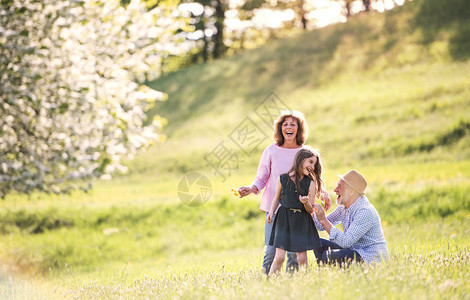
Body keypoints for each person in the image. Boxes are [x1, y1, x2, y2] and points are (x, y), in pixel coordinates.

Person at [238, 110, 331, 274]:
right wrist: (252, 188)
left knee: (295, 255)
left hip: (298, 210)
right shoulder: (270, 151)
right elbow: (262, 176)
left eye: (292, 124)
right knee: (271, 251)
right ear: (280, 128)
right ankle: (267, 282)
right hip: (275, 210)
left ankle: (291, 285)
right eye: (285, 124)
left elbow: (314, 177)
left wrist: (323, 193)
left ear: (299, 128)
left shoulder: (305, 153)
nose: (288, 127)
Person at [267, 147, 324, 276]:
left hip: (302, 220)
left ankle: (305, 282)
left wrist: (306, 203)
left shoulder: (310, 183)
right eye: (310, 162)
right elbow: (277, 198)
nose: (312, 166)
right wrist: (271, 212)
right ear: (301, 160)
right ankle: (269, 282)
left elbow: (310, 209)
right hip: (283, 219)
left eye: (314, 164)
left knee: (302, 258)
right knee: (280, 257)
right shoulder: (282, 178)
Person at [312, 169, 389, 266]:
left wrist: (323, 219)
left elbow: (345, 242)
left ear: (351, 191)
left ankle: (331, 275)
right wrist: (310, 208)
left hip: (371, 258)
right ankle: (325, 274)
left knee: (329, 255)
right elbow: (320, 225)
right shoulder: (343, 208)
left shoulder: (365, 211)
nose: (335, 190)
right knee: (317, 243)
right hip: (354, 251)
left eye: (339, 187)